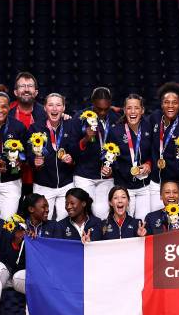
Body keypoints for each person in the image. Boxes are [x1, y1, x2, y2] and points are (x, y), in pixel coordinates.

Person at [11, 193, 58, 315]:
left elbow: (60, 252)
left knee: (38, 282)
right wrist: (18, 242)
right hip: (22, 274)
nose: (47, 210)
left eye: (48, 207)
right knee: (33, 282)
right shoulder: (18, 227)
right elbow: (9, 258)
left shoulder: (54, 226)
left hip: (47, 276)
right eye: (43, 207)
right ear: (31, 209)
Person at [72, 87, 120, 219]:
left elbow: (121, 147)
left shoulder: (116, 118)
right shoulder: (80, 118)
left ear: (110, 103)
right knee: (84, 212)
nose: (102, 112)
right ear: (92, 103)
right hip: (85, 175)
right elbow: (72, 148)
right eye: (99, 109)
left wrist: (113, 169)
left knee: (103, 214)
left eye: (106, 108)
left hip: (106, 176)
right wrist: (85, 139)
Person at [27, 93, 76, 220]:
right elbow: (28, 153)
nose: (54, 109)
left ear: (63, 108)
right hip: (43, 185)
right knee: (42, 221)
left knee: (65, 222)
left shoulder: (70, 126)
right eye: (50, 105)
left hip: (66, 184)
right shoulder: (35, 128)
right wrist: (34, 161)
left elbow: (77, 151)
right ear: (45, 108)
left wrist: (71, 160)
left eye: (58, 105)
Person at [106, 94, 153, 220]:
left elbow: (154, 153)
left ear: (142, 110)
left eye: (136, 108)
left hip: (145, 186)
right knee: (126, 223)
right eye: (129, 108)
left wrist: (149, 164)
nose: (133, 111)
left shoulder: (149, 128)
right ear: (124, 110)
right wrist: (111, 169)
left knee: (143, 221)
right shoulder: (115, 131)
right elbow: (109, 157)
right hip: (124, 187)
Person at [149, 82, 179, 211]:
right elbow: (134, 120)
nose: (170, 105)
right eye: (166, 102)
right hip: (158, 183)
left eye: (174, 102)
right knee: (157, 224)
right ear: (162, 104)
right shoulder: (154, 118)